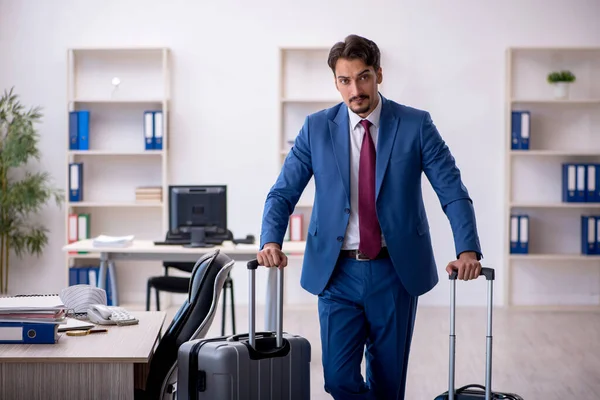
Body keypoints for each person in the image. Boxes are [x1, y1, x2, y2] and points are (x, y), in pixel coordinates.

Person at [256, 34, 483, 400]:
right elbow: (283, 192)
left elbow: (452, 190)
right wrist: (270, 240)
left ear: (379, 74)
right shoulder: (316, 128)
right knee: (338, 379)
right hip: (336, 273)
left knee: (388, 384)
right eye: (345, 80)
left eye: (363, 77)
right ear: (336, 83)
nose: (355, 89)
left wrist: (468, 249)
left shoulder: (415, 124)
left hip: (394, 271)